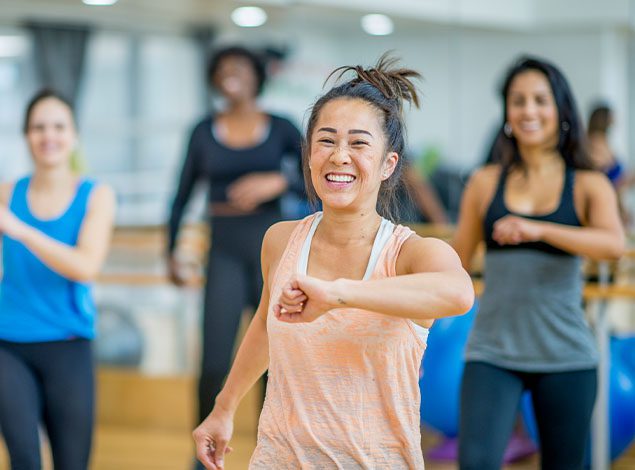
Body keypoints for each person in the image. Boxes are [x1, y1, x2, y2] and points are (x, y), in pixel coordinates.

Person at [192, 54, 474, 470]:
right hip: (279, 458)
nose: (340, 155)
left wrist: (338, 295)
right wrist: (224, 407)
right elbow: (266, 327)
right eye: (326, 140)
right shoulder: (281, 239)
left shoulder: (412, 253)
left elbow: (458, 293)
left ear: (387, 164)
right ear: (308, 156)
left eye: (359, 143)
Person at [453, 56, 624, 470]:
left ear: (561, 111)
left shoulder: (588, 183)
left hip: (566, 355)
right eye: (518, 100)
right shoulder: (485, 181)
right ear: (507, 112)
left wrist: (540, 230)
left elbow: (612, 244)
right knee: (475, 462)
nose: (528, 110)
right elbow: (456, 259)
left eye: (540, 100)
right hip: (492, 349)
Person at [166, 45, 304, 428]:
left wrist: (278, 180)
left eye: (240, 66)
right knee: (214, 359)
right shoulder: (202, 130)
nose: (231, 73)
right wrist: (171, 253)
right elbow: (180, 196)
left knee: (273, 356)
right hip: (223, 249)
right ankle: (202, 448)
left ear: (258, 76)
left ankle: (271, 450)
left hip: (271, 249)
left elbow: (317, 175)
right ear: (213, 78)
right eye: (223, 67)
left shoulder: (282, 127)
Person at [0, 89, 116, 470]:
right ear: (27, 136)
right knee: (25, 458)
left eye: (58, 126)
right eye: (38, 127)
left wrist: (21, 231)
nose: (48, 135)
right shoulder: (6, 193)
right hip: (8, 344)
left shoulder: (96, 195)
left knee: (72, 463)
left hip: (68, 343)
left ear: (74, 135)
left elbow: (85, 266)